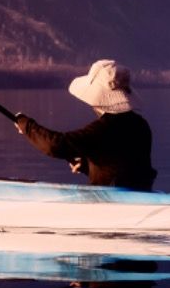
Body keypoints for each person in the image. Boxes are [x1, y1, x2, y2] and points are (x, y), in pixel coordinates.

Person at [13, 59, 157, 190]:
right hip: (141, 192)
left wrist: (26, 125)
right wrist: (87, 166)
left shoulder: (104, 129)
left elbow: (55, 145)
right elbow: (125, 167)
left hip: (112, 204)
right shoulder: (140, 125)